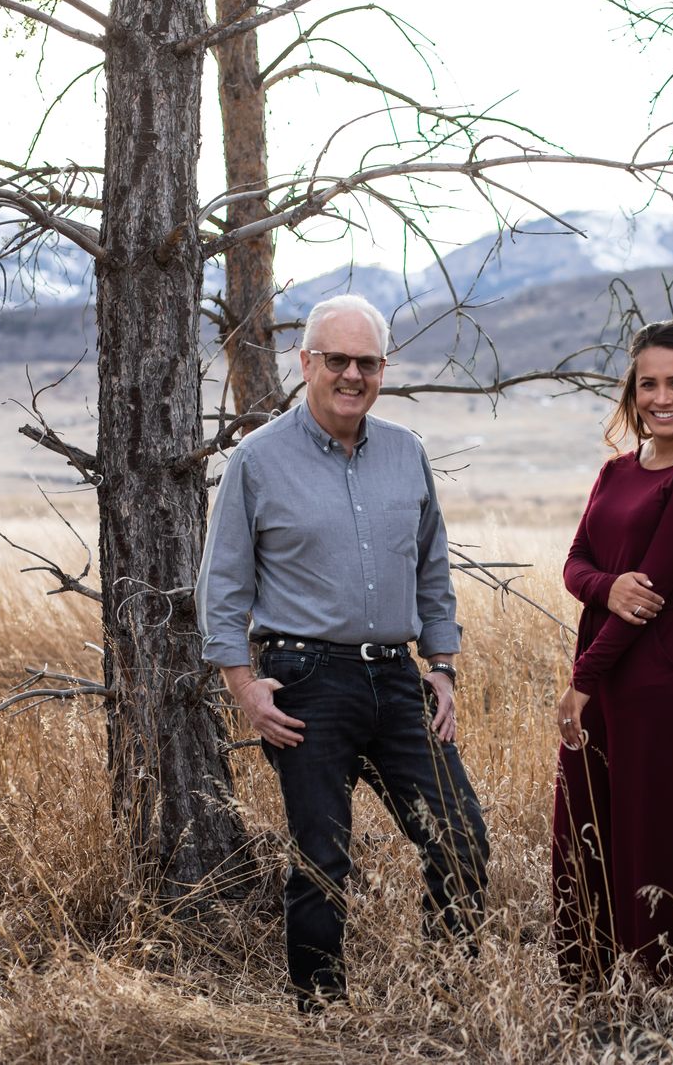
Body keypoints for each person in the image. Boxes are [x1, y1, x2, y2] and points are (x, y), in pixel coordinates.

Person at [196, 293, 488, 1009]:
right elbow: (223, 582)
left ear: (383, 369)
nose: (352, 374)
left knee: (459, 836)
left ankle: (447, 1000)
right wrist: (242, 684)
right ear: (306, 363)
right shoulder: (258, 459)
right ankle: (320, 1015)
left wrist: (441, 664)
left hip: (396, 677)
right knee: (322, 857)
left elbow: (431, 566)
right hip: (305, 681)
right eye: (337, 360)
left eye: (367, 362)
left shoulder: (406, 452)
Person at [551, 320, 673, 987]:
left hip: (661, 678)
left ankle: (655, 994)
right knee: (584, 829)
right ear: (632, 393)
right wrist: (605, 586)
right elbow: (574, 563)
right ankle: (587, 984)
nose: (662, 398)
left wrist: (581, 679)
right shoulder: (615, 471)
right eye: (648, 384)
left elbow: (650, 596)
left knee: (650, 841)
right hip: (603, 670)